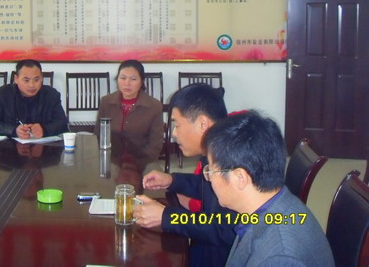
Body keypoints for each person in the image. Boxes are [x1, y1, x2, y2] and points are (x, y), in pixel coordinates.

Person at [204, 110, 334, 266]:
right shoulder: (272, 204)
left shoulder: (279, 257)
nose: (208, 177)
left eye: (211, 170)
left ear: (240, 178)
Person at [133, 82, 236, 267]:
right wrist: (172, 180)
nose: (173, 134)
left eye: (177, 124)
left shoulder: (232, 164)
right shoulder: (215, 151)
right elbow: (207, 186)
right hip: (202, 248)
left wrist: (167, 217)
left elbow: (226, 230)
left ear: (203, 123)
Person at [95, 60, 163, 158]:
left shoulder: (154, 106)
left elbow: (155, 144)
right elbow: (98, 134)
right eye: (123, 78)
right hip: (111, 157)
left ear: (141, 82)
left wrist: (140, 161)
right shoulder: (106, 102)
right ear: (117, 79)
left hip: (141, 159)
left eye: (133, 79)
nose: (127, 83)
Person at [0, 59, 69, 138]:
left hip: (44, 145)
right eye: (26, 80)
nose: (32, 85)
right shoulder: (4, 94)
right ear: (16, 79)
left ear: (42, 78)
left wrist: (44, 129)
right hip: (11, 146)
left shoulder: (51, 94)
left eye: (36, 79)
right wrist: (14, 130)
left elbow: (62, 123)